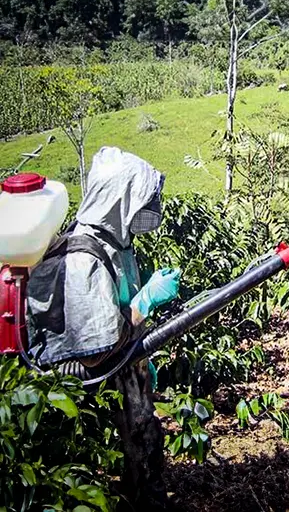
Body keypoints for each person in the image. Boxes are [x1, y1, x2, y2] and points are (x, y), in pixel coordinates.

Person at [27, 147, 181, 511]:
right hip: (100, 401)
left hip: (126, 386)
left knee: (146, 454)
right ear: (119, 199)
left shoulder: (115, 244)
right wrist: (146, 301)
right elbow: (96, 354)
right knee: (120, 477)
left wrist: (140, 360)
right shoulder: (83, 259)